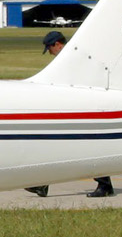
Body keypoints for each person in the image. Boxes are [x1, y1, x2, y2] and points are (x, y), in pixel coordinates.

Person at [26, 29, 114, 198]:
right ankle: (42, 184)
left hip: (82, 110)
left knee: (87, 148)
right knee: (53, 145)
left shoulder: (74, 60)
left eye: (50, 49)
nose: (50, 53)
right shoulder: (69, 59)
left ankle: (105, 185)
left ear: (57, 45)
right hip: (69, 109)